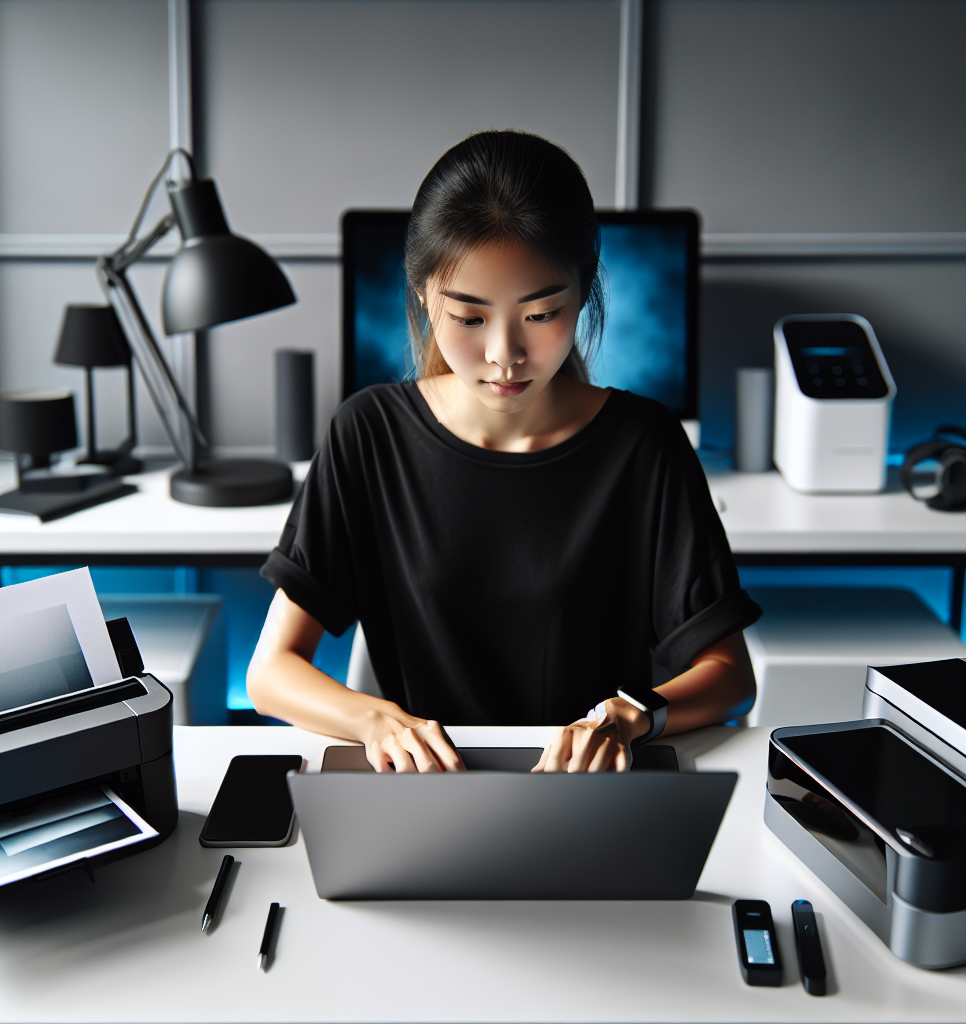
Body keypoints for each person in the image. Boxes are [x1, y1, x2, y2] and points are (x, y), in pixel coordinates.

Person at [248, 130, 760, 773]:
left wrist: (630, 716)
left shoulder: (645, 444)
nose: (504, 355)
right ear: (423, 296)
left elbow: (730, 674)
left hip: (592, 794)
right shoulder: (369, 432)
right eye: (468, 317)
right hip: (425, 793)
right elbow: (272, 672)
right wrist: (371, 717)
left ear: (584, 293)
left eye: (541, 314)